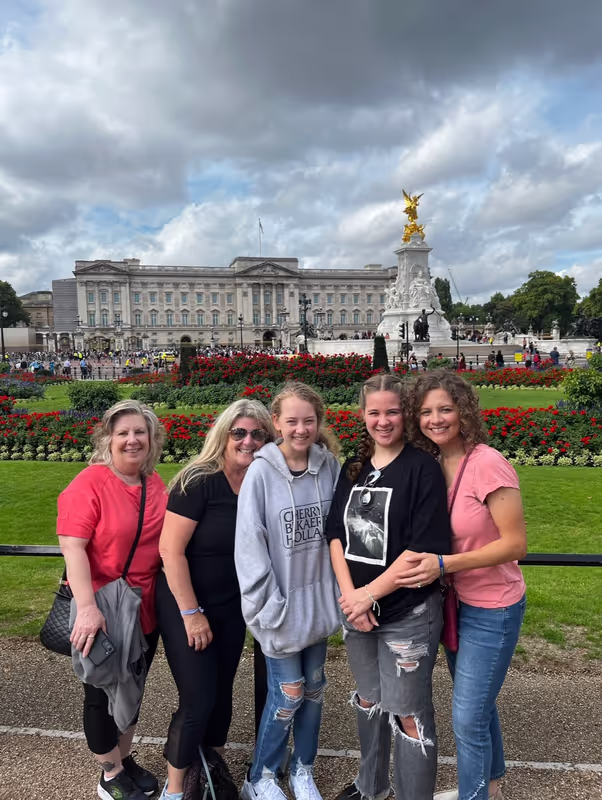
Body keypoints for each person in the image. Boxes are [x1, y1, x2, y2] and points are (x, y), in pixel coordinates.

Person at [398, 371, 527, 800]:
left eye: (445, 409)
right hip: (456, 604)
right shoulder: (434, 463)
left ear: (463, 411)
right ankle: (491, 783)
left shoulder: (487, 462)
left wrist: (444, 563)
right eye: (427, 411)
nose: (436, 419)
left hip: (494, 606)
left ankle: (476, 795)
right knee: (477, 705)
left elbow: (515, 544)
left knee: (467, 717)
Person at [324, 372, 451, 800]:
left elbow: (420, 551)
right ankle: (371, 785)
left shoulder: (422, 469)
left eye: (392, 411)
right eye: (374, 412)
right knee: (369, 701)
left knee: (408, 714)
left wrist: (367, 595)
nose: (383, 421)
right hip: (358, 610)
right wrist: (351, 599)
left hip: (406, 613)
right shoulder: (355, 467)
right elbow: (335, 536)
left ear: (406, 415)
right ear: (362, 415)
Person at [156, 400, 276, 800]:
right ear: (223, 435)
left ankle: (208, 778)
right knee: (198, 697)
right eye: (239, 432)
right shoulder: (199, 480)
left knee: (222, 692)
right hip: (186, 602)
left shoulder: (263, 482)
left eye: (258, 434)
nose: (248, 441)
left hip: (232, 607)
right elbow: (170, 552)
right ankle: (174, 790)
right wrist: (192, 614)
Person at [57, 400, 168, 800]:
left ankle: (124, 755)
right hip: (103, 604)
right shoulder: (91, 482)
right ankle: (109, 773)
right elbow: (73, 547)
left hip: (144, 607)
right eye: (123, 433)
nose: (132, 440)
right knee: (102, 690)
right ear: (108, 438)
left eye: (140, 432)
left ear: (152, 439)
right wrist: (86, 609)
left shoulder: (155, 484)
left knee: (133, 685)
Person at [235, 382, 341, 800]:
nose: (301, 429)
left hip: (318, 603)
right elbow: (249, 545)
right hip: (279, 606)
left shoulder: (328, 465)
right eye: (292, 421)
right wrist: (266, 604)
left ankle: (302, 769)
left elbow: (338, 533)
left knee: (314, 687)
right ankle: (259, 776)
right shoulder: (261, 472)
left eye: (309, 421)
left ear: (319, 423)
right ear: (276, 422)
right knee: (288, 691)